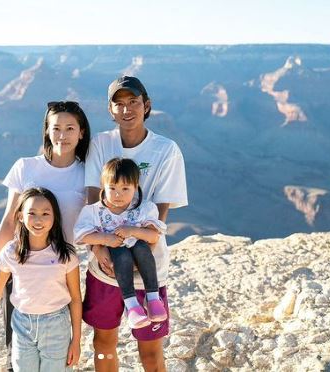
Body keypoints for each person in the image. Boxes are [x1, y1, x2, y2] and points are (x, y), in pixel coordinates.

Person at [83, 76, 188, 371]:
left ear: (147, 106)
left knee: (151, 351)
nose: (126, 109)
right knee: (103, 344)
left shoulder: (166, 151)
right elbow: (92, 199)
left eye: (133, 102)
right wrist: (97, 248)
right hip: (104, 266)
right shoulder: (100, 145)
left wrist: (140, 250)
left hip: (148, 267)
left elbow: (160, 214)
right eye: (119, 104)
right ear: (110, 109)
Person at [0, 101, 90, 370]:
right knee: (16, 350)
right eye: (56, 128)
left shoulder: (87, 173)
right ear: (47, 131)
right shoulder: (26, 167)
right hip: (21, 263)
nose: (62, 135)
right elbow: (8, 220)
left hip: (60, 269)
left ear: (82, 133)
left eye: (70, 128)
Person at [0, 187, 82, 371]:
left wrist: (76, 341)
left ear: (54, 218)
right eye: (32, 213)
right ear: (21, 216)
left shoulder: (66, 255)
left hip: (57, 327)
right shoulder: (11, 252)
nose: (39, 220)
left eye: (46, 213)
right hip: (22, 325)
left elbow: (76, 299)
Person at [74, 157, 167, 329]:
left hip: (140, 254)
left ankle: (153, 299)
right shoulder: (95, 211)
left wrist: (132, 230)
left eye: (125, 188)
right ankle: (132, 306)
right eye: (112, 188)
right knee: (121, 254)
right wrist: (104, 239)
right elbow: (81, 236)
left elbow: (154, 237)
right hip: (114, 255)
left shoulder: (143, 209)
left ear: (135, 187)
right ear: (103, 187)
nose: (118, 194)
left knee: (141, 247)